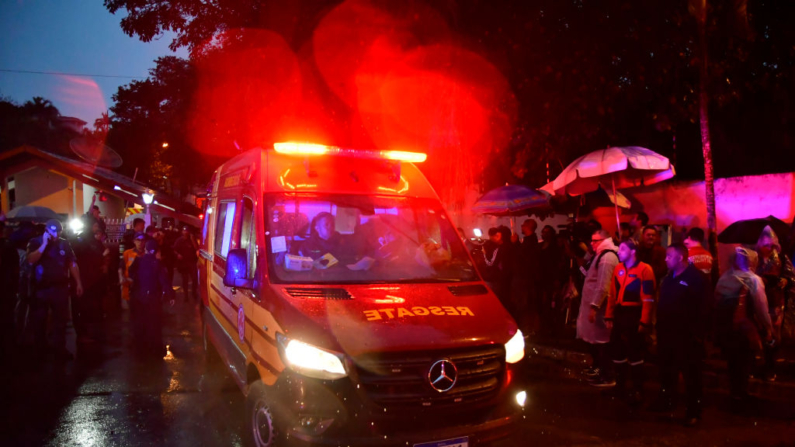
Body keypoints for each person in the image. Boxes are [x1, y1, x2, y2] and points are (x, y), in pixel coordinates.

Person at [649, 244, 709, 426]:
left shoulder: (697, 279)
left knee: (691, 375)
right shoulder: (668, 278)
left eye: (669, 256)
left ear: (680, 258)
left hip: (687, 337)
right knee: (667, 371)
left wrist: (698, 334)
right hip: (667, 334)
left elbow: (704, 309)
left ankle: (693, 411)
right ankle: (667, 401)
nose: (666, 259)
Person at [714, 247, 773, 412]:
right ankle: (742, 396)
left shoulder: (724, 277)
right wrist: (768, 328)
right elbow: (761, 308)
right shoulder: (753, 280)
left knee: (733, 362)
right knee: (745, 361)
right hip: (744, 327)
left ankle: (735, 394)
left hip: (727, 327)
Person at [605, 238, 656, 405]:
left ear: (633, 252)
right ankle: (619, 386)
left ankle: (637, 389)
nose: (619, 252)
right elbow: (612, 294)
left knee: (635, 353)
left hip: (635, 313)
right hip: (620, 313)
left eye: (623, 250)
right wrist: (609, 315)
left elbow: (648, 299)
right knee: (617, 350)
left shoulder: (645, 270)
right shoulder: (618, 268)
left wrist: (644, 322)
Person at [26, 219, 83, 361]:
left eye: (58, 232)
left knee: (60, 321)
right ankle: (40, 349)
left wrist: (78, 282)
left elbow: (72, 263)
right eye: (53, 232)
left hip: (60, 288)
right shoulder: (35, 242)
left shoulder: (64, 243)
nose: (56, 235)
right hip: (41, 288)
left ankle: (60, 349)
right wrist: (44, 245)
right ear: (47, 231)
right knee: (40, 320)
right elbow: (31, 260)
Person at [577, 229, 619, 387]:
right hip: (592, 305)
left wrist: (594, 306)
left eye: (595, 241)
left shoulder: (607, 257)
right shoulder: (599, 255)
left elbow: (603, 285)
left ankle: (607, 375)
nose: (591, 244)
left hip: (600, 308)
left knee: (602, 342)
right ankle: (600, 370)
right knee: (595, 341)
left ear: (604, 240)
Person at [755, 225, 794, 382]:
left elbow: (791, 276)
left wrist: (786, 280)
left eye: (772, 245)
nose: (769, 248)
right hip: (758, 301)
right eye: (766, 245)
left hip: (776, 302)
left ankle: (770, 366)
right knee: (759, 332)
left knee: (774, 334)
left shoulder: (782, 258)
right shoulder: (754, 257)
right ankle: (758, 363)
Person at [128, 239, 175, 359]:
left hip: (139, 298)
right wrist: (170, 295)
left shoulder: (138, 261)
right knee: (154, 324)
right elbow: (164, 281)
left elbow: (131, 273)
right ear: (156, 252)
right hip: (153, 299)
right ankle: (155, 350)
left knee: (141, 323)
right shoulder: (157, 264)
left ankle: (140, 350)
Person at [72, 226, 109, 341]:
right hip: (87, 279)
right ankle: (85, 333)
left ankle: (86, 332)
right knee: (85, 307)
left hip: (91, 280)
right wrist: (102, 257)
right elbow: (92, 258)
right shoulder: (84, 244)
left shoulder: (87, 242)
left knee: (87, 307)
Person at [173, 226, 198, 302]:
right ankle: (186, 296)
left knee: (194, 278)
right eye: (184, 231)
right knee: (185, 279)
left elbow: (197, 248)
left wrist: (193, 239)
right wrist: (177, 255)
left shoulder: (192, 240)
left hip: (192, 262)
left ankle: (194, 293)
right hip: (183, 263)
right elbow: (174, 249)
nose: (185, 232)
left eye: (186, 231)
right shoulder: (179, 240)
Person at [120, 232, 146, 306]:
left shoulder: (147, 254)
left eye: (142, 240)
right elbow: (121, 267)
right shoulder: (127, 253)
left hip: (143, 288)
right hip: (130, 288)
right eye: (138, 240)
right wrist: (121, 278)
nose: (140, 242)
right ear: (134, 241)